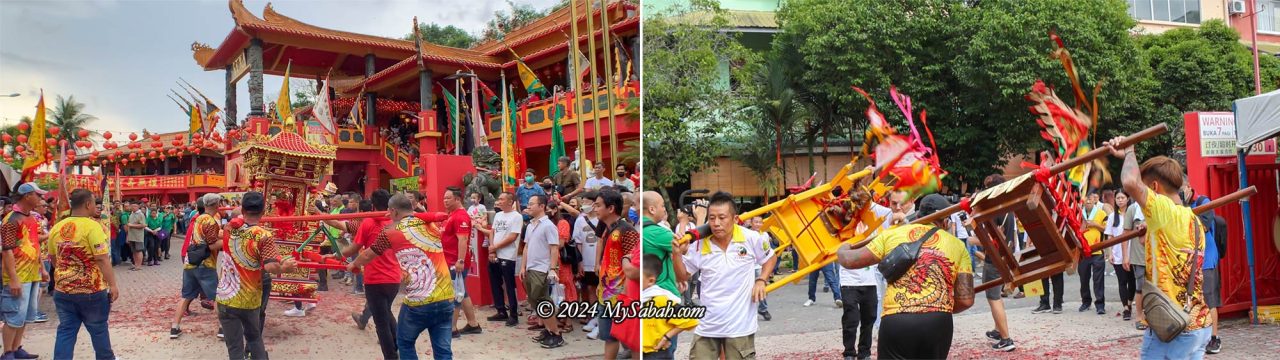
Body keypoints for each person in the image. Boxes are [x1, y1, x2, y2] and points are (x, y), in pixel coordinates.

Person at [1106, 137, 1212, 358]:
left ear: (1154, 187)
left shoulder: (1163, 209)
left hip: (1172, 325)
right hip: (1198, 322)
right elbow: (1161, 249)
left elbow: (1129, 183)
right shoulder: (1193, 220)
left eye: (1146, 190)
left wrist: (1129, 152)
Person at [836, 194, 975, 359]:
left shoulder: (892, 235)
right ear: (945, 222)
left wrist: (843, 248)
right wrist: (935, 308)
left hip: (897, 321)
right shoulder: (957, 245)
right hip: (937, 323)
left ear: (918, 215)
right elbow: (966, 300)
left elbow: (849, 261)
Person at [670, 191, 777, 360]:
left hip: (740, 328)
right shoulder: (699, 243)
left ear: (735, 219)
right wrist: (676, 254)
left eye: (722, 217)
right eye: (712, 218)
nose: (716, 223)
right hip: (707, 326)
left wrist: (761, 280)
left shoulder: (751, 238)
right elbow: (683, 276)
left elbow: (770, 257)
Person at [348, 193, 455, 360]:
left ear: (394, 212)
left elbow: (368, 255)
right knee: (443, 350)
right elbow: (434, 216)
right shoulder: (431, 224)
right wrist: (398, 215)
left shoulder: (390, 231)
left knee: (404, 342)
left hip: (419, 301)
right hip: (446, 297)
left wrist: (354, 264)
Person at [217, 192, 297, 360]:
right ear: (263, 212)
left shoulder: (229, 228)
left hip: (225, 298)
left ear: (243, 209)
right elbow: (270, 266)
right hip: (249, 300)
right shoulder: (263, 236)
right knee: (254, 339)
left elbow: (236, 214)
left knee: (234, 349)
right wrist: (287, 267)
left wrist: (240, 215)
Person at [46, 189, 120, 360]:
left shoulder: (57, 227)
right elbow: (102, 259)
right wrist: (113, 285)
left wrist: (66, 273)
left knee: (66, 330)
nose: (95, 206)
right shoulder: (92, 226)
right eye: (94, 202)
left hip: (63, 290)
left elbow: (53, 257)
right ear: (88, 204)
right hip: (91, 291)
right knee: (98, 329)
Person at [340, 190, 399, 359]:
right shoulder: (395, 221)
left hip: (376, 279)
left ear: (372, 205)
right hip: (394, 277)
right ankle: (400, 347)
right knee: (386, 313)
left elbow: (355, 249)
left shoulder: (368, 222)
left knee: (381, 324)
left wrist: (341, 255)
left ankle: (392, 356)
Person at [839, 189, 890, 360]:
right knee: (851, 320)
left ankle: (864, 353)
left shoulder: (875, 224)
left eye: (865, 203)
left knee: (869, 319)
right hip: (849, 281)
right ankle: (849, 353)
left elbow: (890, 213)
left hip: (870, 281)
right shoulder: (844, 226)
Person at [1, 183, 51, 360]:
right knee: (14, 315)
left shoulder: (30, 218)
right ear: (27, 196)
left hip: (32, 273)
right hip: (18, 275)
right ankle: (7, 352)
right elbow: (6, 250)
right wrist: (13, 279)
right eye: (38, 195)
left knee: (25, 316)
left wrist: (42, 269)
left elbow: (34, 245)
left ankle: (16, 348)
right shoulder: (11, 219)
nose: (41, 199)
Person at [592, 189, 640, 359]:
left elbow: (634, 265)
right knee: (609, 336)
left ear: (611, 208)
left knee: (633, 340)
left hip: (621, 295)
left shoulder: (627, 231)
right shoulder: (607, 229)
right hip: (606, 293)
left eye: (598, 205)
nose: (594, 208)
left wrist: (627, 295)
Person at [972, 176, 1018, 352]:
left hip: (995, 260)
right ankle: (998, 330)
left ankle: (1006, 339)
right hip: (1004, 257)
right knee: (996, 295)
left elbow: (991, 239)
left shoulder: (995, 210)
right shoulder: (1006, 207)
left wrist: (972, 239)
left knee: (993, 298)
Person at [170, 194, 223, 339]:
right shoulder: (211, 221)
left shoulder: (198, 218)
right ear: (217, 204)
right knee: (217, 297)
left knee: (186, 296)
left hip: (190, 262)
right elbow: (212, 244)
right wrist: (231, 241)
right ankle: (223, 328)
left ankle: (174, 328)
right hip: (205, 263)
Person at [1183, 180, 1224, 355]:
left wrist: (1183, 214)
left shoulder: (1203, 202)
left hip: (1206, 258)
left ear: (1188, 187)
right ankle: (1194, 336)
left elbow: (1203, 226)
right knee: (1189, 299)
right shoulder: (1177, 205)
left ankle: (1214, 338)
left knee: (1209, 299)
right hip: (1188, 259)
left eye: (1180, 189)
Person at [521, 195, 565, 348]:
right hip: (530, 268)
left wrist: (552, 269)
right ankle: (547, 330)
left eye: (532, 204)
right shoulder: (531, 224)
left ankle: (556, 334)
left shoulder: (548, 226)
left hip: (542, 268)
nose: (529, 206)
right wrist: (523, 266)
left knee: (543, 301)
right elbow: (526, 247)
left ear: (542, 206)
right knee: (534, 300)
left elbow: (554, 248)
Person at [640, 253, 697, 359]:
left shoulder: (660, 300)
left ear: (651, 281)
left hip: (656, 353)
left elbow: (689, 319)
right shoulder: (638, 299)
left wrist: (666, 337)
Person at [441, 187, 481, 337]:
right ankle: (473, 324)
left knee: (455, 294)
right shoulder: (452, 215)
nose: (445, 201)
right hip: (450, 260)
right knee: (462, 293)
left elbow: (463, 239)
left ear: (457, 199)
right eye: (444, 198)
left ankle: (451, 329)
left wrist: (459, 261)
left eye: (448, 198)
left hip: (455, 262)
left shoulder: (460, 216)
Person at [480, 192, 522, 327]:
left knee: (509, 285)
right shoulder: (498, 215)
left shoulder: (516, 217)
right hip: (495, 254)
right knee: (495, 283)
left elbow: (512, 237)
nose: (499, 201)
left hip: (508, 255)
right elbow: (492, 232)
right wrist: (492, 249)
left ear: (510, 202)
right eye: (499, 199)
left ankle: (513, 314)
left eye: (502, 199)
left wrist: (495, 248)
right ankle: (501, 310)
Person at [574, 193, 602, 336]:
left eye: (587, 201)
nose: (584, 204)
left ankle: (601, 318)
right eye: (582, 201)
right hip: (586, 261)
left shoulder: (601, 220)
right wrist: (580, 263)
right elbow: (577, 242)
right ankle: (593, 315)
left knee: (602, 289)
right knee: (590, 288)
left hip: (600, 262)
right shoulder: (580, 220)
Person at [1107, 190, 1137, 322]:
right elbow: (1110, 236)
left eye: (1122, 197)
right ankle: (1125, 308)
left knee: (1132, 281)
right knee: (1122, 281)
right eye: (1118, 198)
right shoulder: (1113, 216)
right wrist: (1109, 253)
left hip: (1133, 252)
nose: (1120, 200)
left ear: (1128, 198)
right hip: (1118, 253)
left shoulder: (1134, 214)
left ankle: (1130, 302)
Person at [1078, 190, 1107, 315]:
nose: (1088, 201)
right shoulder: (1079, 214)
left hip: (1097, 250)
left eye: (1090, 199)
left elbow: (1106, 228)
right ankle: (1086, 301)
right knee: (1084, 279)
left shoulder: (1101, 213)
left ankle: (1100, 304)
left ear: (1095, 200)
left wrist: (1095, 224)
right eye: (1086, 199)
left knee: (1098, 280)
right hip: (1083, 252)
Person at [126, 201, 146, 271]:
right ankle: (135, 264)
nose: (133, 207)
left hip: (138, 236)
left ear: (138, 207)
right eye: (132, 206)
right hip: (131, 236)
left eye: (135, 206)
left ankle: (139, 266)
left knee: (139, 251)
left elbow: (143, 225)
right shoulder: (131, 214)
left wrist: (132, 225)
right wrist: (127, 236)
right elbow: (128, 225)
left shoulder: (141, 214)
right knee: (134, 251)